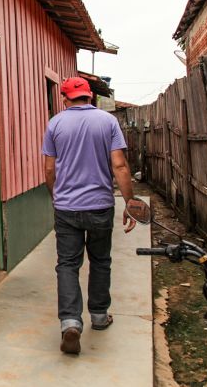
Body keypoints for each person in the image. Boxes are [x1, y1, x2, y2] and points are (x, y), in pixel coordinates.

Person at [41, 76, 137, 355]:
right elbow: (119, 164)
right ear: (90, 96)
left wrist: (56, 196)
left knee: (67, 265)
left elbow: (49, 170)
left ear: (64, 98)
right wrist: (129, 202)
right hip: (100, 206)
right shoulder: (107, 122)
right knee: (101, 261)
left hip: (67, 207)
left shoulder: (55, 124)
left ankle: (70, 322)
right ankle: (98, 316)